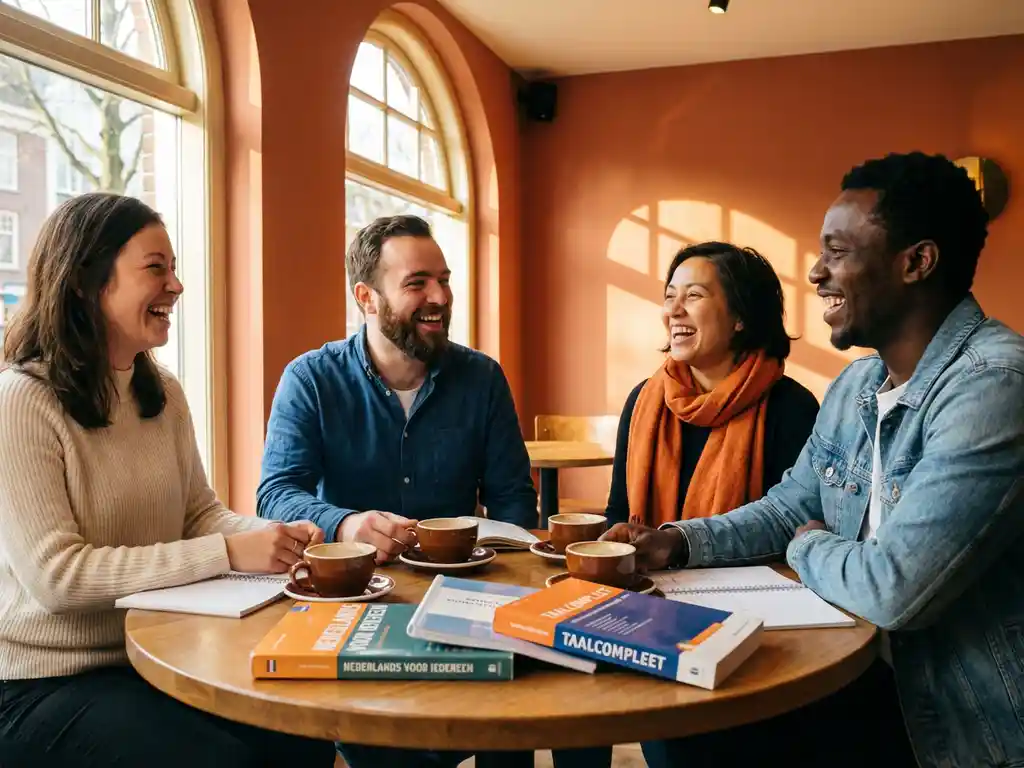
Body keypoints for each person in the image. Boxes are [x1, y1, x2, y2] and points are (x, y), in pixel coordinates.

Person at [603, 152, 1024, 767]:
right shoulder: (858, 386)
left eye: (838, 251)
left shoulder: (994, 385)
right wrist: (676, 542)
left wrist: (807, 547)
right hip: (849, 683)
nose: (816, 272)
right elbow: (789, 508)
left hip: (952, 727)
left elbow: (893, 589)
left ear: (916, 262)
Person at [0, 194, 336, 767]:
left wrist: (276, 537)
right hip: (42, 681)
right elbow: (57, 577)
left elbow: (199, 513)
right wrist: (227, 550)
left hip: (150, 656)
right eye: (156, 268)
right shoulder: (22, 401)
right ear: (86, 280)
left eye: (174, 269)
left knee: (300, 736)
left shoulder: (163, 393)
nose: (176, 286)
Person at [258, 215, 602, 768]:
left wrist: (512, 590)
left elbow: (513, 500)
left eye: (444, 280)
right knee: (392, 749)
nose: (439, 296)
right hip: (356, 605)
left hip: (469, 599)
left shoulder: (482, 378)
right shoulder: (311, 379)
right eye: (417, 283)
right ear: (366, 298)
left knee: (530, 715)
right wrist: (346, 524)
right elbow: (276, 493)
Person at [606, 241, 819, 528]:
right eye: (670, 296)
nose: (674, 310)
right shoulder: (643, 400)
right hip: (647, 571)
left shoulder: (791, 408)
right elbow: (618, 513)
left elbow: (789, 526)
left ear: (740, 317)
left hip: (751, 573)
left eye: (693, 295)